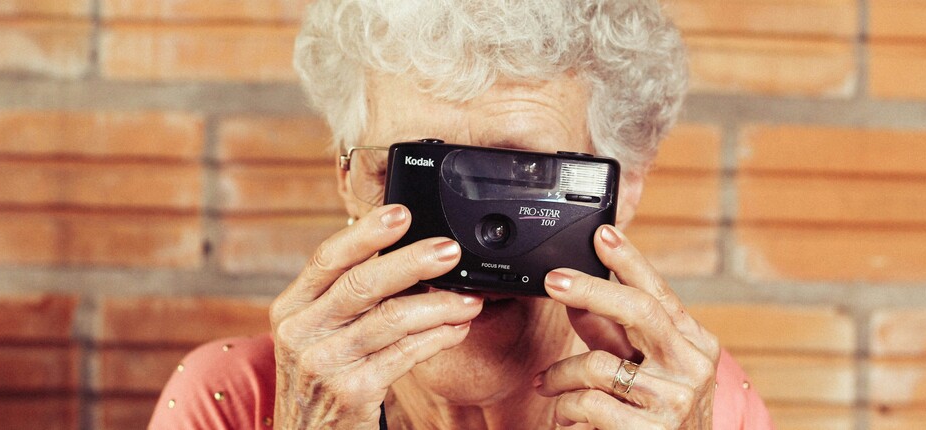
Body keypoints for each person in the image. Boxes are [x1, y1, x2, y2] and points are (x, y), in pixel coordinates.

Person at [150, 0, 773, 428]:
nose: (463, 247)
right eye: (412, 176)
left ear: (623, 189)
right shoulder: (234, 398)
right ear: (350, 181)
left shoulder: (691, 406)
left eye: (520, 179)